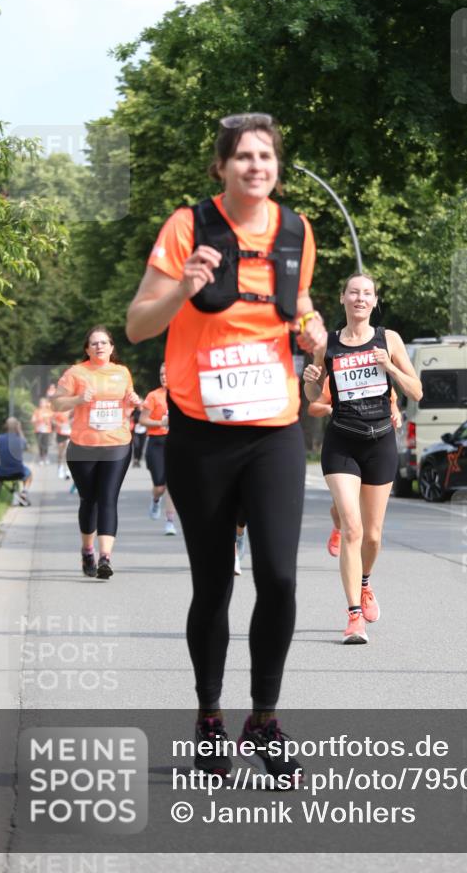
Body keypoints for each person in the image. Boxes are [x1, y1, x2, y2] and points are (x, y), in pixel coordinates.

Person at [126, 112, 326, 783]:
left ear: (276, 164)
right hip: (200, 433)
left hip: (273, 430)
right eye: (242, 156)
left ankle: (263, 718)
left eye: (265, 155)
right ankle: (209, 717)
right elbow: (136, 325)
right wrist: (183, 287)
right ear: (221, 167)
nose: (254, 166)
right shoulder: (187, 227)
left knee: (279, 576)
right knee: (212, 584)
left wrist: (312, 334)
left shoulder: (297, 230)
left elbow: (298, 313)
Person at [303, 272, 422, 645]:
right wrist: (309, 378)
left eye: (366, 293)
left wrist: (390, 367)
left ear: (374, 301)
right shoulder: (330, 344)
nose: (360, 298)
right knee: (352, 529)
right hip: (341, 443)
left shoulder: (390, 339)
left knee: (372, 535)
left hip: (380, 442)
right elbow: (312, 395)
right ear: (343, 298)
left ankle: (365, 583)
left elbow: (416, 390)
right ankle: (354, 616)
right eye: (353, 292)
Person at [51, 326, 140, 580]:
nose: (99, 346)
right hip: (83, 446)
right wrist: (78, 399)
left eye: (104, 342)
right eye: (94, 343)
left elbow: (125, 407)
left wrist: (132, 402)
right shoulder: (76, 373)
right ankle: (87, 550)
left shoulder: (122, 372)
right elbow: (56, 403)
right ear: (87, 349)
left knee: (108, 498)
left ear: (112, 348)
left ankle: (105, 558)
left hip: (117, 444)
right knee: (89, 501)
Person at [307, 375, 402, 557]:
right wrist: (329, 408)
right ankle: (338, 528)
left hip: (375, 448)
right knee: (341, 509)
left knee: (369, 528)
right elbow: (313, 407)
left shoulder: (376, 374)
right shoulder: (336, 376)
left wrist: (395, 413)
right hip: (344, 446)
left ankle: (359, 567)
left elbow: (391, 402)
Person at [140, 363, 177, 536]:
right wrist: (160, 423)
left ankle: (170, 522)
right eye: (161, 374)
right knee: (160, 486)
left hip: (175, 442)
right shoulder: (153, 396)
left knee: (172, 484)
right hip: (156, 442)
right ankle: (155, 499)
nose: (163, 377)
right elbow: (142, 420)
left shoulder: (182, 395)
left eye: (167, 374)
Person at [0, 418, 33, 505]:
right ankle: (24, 492)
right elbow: (27, 448)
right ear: (17, 427)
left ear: (6, 426)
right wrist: (20, 431)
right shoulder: (21, 439)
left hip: (2, 473)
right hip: (19, 472)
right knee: (29, 474)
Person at [31, 398, 53, 464]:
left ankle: (45, 457)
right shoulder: (36, 411)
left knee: (45, 444)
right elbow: (32, 420)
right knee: (40, 445)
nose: (42, 404)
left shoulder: (49, 411)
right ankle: (41, 457)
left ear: (46, 403)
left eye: (43, 402)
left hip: (46, 430)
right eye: (41, 402)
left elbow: (52, 418)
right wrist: (38, 420)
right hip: (38, 430)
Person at [53, 408, 72, 479]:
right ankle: (60, 468)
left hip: (69, 434)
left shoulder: (72, 410)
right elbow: (52, 420)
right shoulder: (59, 411)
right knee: (60, 454)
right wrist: (59, 424)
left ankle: (67, 470)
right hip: (60, 434)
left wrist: (71, 423)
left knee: (67, 453)